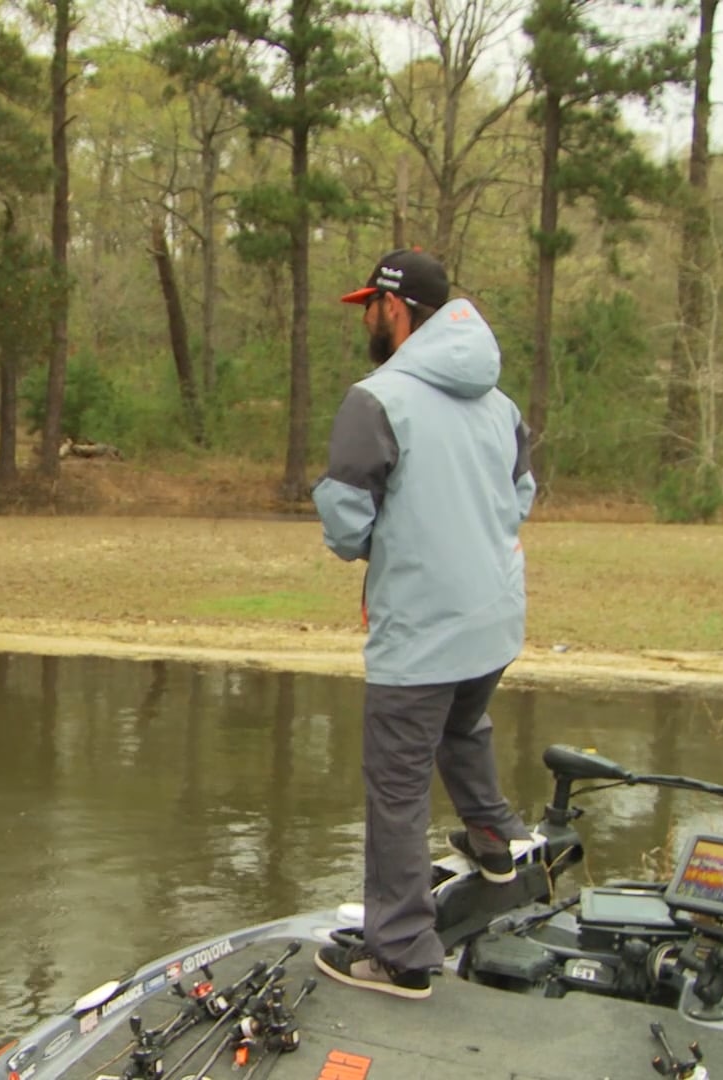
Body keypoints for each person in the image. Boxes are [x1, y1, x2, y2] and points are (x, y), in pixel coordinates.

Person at [310, 248, 537, 1000]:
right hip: (494, 624)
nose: (365, 319)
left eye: (369, 305)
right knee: (462, 727)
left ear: (396, 309)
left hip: (421, 634)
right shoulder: (500, 404)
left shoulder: (377, 398)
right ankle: (497, 842)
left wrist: (399, 546)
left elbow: (346, 527)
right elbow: (520, 496)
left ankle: (403, 953)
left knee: (398, 786)